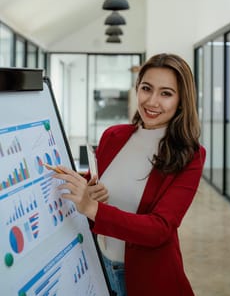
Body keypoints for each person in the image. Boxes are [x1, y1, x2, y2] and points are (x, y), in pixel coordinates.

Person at [54, 53, 206, 296]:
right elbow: (96, 193)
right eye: (147, 88)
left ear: (181, 101)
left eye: (166, 93)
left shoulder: (191, 155)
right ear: (137, 88)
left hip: (148, 278)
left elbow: (160, 228)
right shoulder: (113, 135)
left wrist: (93, 208)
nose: (153, 101)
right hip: (98, 268)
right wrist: (91, 193)